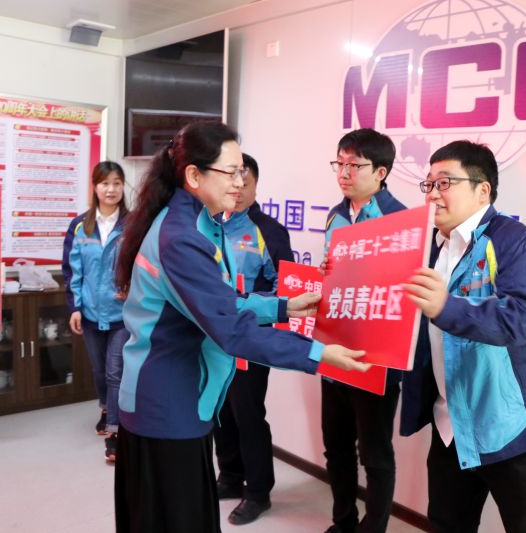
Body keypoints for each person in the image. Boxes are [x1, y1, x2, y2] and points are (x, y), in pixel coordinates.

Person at [113, 121, 370, 533]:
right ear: (194, 175)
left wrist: (282, 307)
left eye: (243, 172)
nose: (240, 181)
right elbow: (231, 329)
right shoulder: (183, 237)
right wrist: (319, 354)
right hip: (166, 403)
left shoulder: (195, 221)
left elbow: (217, 300)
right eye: (231, 172)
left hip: (176, 398)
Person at [401, 140, 526, 533]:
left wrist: (446, 306)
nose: (432, 194)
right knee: (446, 524)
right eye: (428, 184)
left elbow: (519, 321)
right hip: (451, 424)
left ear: (482, 190)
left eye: (445, 182)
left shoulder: (513, 241)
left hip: (512, 424)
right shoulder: (426, 247)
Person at [321, 128, 405, 533]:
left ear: (381, 172)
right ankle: (343, 522)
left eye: (354, 165)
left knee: (375, 455)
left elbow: (406, 289)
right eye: (339, 163)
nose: (344, 173)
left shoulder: (401, 221)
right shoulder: (335, 215)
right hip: (334, 348)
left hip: (377, 358)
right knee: (336, 448)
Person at [212, 153, 294, 525]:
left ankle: (258, 491)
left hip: (251, 338)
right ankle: (230, 476)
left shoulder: (269, 230)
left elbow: (286, 289)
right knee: (220, 411)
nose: (238, 188)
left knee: (248, 414)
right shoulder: (211, 224)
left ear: (256, 185)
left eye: (245, 182)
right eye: (232, 180)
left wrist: (247, 306)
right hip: (213, 337)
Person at [62, 160, 130, 463]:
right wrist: (75, 307)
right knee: (99, 371)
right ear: (95, 187)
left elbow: (144, 264)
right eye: (105, 183)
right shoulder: (80, 226)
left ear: (123, 187)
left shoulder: (134, 224)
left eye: (117, 183)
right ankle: (106, 408)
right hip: (90, 311)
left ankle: (115, 433)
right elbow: (71, 271)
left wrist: (132, 286)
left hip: (122, 313)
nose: (111, 189)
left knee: (115, 371)